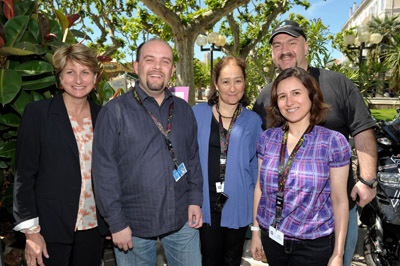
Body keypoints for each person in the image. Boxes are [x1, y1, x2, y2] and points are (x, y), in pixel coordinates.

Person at [253, 20, 378, 265]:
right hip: (282, 220)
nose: (284, 49)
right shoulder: (266, 94)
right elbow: (262, 150)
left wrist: (367, 180)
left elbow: (362, 129)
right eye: (277, 45)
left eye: (291, 42)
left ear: (306, 46)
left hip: (334, 207)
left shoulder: (337, 83)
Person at [92, 38, 203, 266]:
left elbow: (192, 158)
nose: (157, 67)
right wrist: (116, 223)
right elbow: (104, 173)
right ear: (136, 66)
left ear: (172, 70)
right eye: (149, 60)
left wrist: (195, 200)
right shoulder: (113, 112)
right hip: (133, 226)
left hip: (182, 220)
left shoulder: (184, 110)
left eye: (165, 61)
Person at [13, 44, 106, 266]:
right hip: (49, 227)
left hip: (93, 226)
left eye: (85, 72)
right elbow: (24, 175)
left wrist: (112, 220)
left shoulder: (104, 117)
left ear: (95, 77)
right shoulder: (38, 114)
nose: (78, 80)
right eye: (70, 72)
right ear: (60, 77)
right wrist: (31, 232)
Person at [251, 67, 351, 265]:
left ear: (311, 96)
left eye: (296, 93)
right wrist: (255, 232)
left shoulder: (332, 142)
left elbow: (340, 201)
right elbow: (260, 189)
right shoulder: (267, 139)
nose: (289, 102)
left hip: (313, 245)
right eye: (282, 96)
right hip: (272, 239)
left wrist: (338, 254)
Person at [193, 56, 262, 266]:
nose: (232, 88)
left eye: (238, 80)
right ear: (216, 84)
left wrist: (257, 224)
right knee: (209, 259)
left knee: (232, 260)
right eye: (225, 81)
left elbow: (257, 170)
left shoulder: (253, 121)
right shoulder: (197, 114)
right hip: (205, 204)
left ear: (244, 82)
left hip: (238, 203)